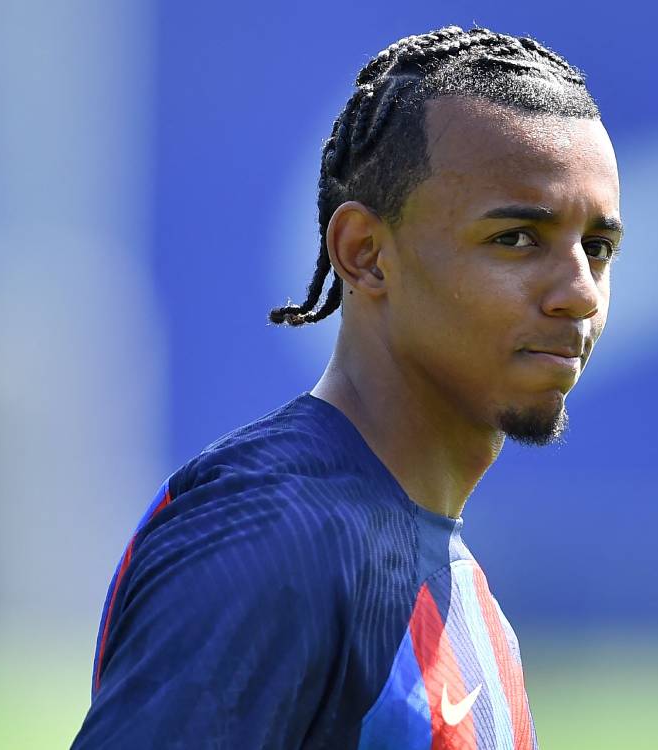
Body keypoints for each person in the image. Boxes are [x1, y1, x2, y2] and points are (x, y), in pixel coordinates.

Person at [72, 24, 622, 750]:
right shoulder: (275, 534)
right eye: (515, 239)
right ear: (364, 254)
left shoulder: (456, 587)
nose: (580, 293)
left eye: (597, 248)